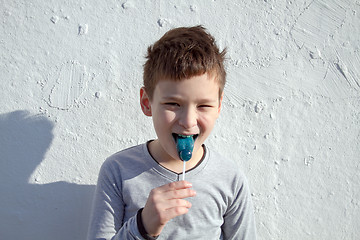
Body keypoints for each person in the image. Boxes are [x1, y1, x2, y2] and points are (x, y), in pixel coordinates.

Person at [87, 25, 256, 240]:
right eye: (173, 103)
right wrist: (142, 226)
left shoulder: (230, 179)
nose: (188, 121)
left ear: (219, 106)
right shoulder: (117, 171)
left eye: (203, 106)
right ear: (147, 103)